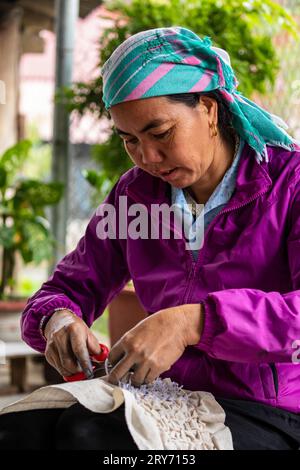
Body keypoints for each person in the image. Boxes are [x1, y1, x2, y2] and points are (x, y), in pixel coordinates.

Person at [1, 26, 300, 450]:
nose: (147, 158)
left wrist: (193, 323)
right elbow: (67, 288)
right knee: (16, 434)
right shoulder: (136, 194)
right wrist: (59, 320)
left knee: (92, 438)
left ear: (209, 108)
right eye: (130, 140)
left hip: (270, 409)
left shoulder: (290, 184)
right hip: (164, 393)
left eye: (160, 133)